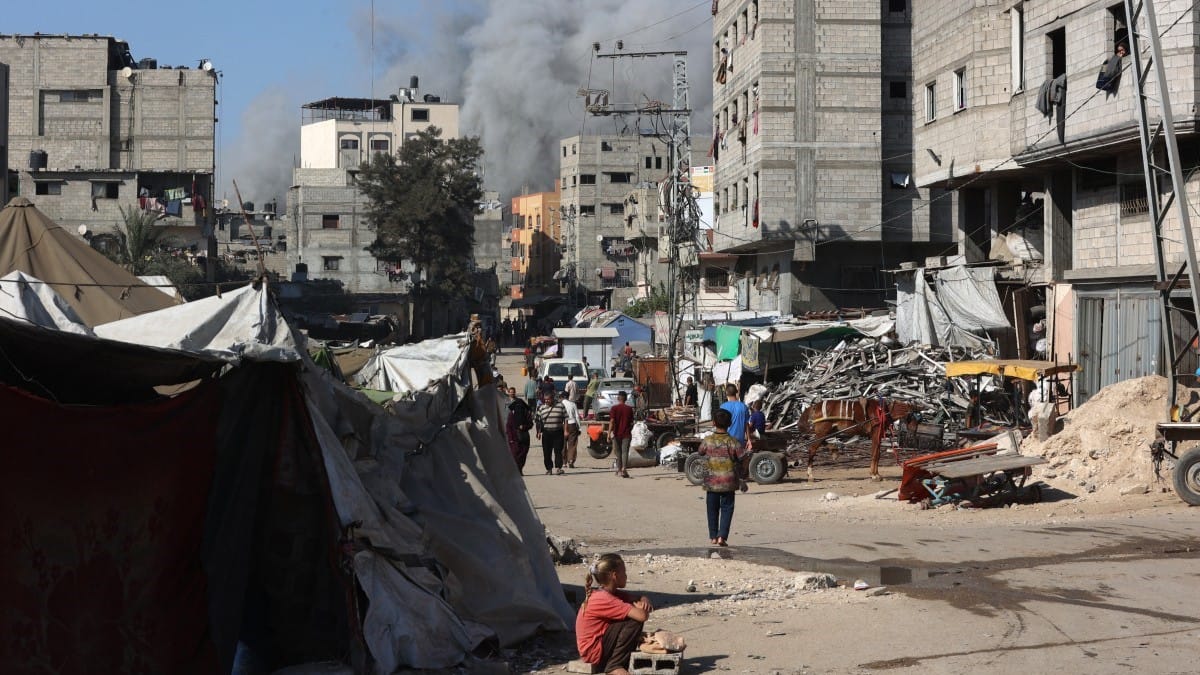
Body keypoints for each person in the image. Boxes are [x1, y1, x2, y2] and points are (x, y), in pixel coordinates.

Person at [576, 553, 653, 675]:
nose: (627, 576)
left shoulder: (611, 593)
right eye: (624, 572)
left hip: (599, 646)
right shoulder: (604, 598)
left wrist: (644, 600)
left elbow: (638, 597)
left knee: (629, 615)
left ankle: (618, 660)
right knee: (634, 621)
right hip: (594, 652)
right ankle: (614, 665)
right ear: (615, 576)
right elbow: (642, 616)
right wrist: (640, 608)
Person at [697, 409, 750, 547]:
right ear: (730, 423)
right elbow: (744, 458)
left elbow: (700, 452)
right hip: (729, 482)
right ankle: (722, 536)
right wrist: (743, 477)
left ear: (714, 423)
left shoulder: (708, 440)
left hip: (712, 482)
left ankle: (713, 536)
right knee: (727, 508)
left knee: (712, 508)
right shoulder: (733, 442)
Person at [536, 391, 568, 475]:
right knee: (546, 452)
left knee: (558, 451)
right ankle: (549, 469)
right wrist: (538, 432)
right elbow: (538, 421)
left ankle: (558, 468)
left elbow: (566, 419)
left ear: (552, 398)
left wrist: (566, 430)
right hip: (547, 433)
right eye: (545, 399)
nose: (546, 401)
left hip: (558, 432)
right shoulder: (541, 408)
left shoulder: (560, 406)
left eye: (548, 399)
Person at [506, 387, 533, 473]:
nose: (519, 409)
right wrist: (510, 439)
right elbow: (508, 427)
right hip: (514, 438)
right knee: (515, 454)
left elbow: (531, 424)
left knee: (523, 454)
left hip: (524, 437)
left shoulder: (526, 414)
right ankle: (515, 470)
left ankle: (520, 469)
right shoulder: (511, 415)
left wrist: (524, 427)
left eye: (521, 407)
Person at [609, 391, 634, 478]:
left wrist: (609, 433)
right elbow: (631, 422)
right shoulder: (629, 409)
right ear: (626, 399)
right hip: (626, 434)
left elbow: (612, 421)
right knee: (625, 452)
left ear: (618, 398)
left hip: (616, 434)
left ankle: (619, 470)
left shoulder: (614, 408)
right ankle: (624, 468)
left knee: (618, 452)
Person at [720, 384, 752, 450]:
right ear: (736, 392)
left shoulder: (723, 407)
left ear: (726, 393)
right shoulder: (743, 406)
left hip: (726, 441)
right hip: (739, 441)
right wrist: (749, 439)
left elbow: (720, 425)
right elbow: (746, 424)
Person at [560, 391, 581, 469]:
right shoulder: (573, 404)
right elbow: (577, 416)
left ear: (561, 397)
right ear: (568, 397)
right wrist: (579, 427)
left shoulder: (560, 405)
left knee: (563, 444)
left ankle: (563, 462)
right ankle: (571, 461)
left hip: (562, 425)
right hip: (572, 424)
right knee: (572, 444)